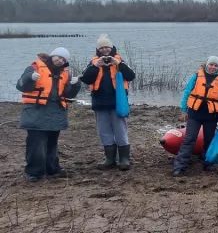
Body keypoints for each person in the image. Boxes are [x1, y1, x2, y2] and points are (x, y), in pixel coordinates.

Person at [16, 47, 82, 182]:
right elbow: (21, 85)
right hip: (36, 111)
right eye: (58, 57)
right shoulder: (34, 67)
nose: (60, 60)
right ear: (52, 56)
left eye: (63, 59)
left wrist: (76, 85)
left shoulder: (65, 74)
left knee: (52, 142)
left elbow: (68, 94)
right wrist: (30, 78)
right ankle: (34, 172)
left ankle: (52, 168)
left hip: (56, 112)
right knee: (36, 144)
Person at [79, 34, 136, 171]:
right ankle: (109, 159)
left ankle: (124, 159)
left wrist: (118, 64)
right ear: (98, 49)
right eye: (102, 48)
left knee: (120, 130)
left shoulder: (119, 60)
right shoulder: (93, 62)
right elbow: (85, 78)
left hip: (118, 102)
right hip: (99, 102)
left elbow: (131, 76)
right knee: (104, 131)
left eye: (107, 47)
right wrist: (96, 66)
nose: (105, 50)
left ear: (111, 48)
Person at [172, 56, 218, 177]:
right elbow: (187, 93)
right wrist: (183, 110)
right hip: (194, 114)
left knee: (209, 140)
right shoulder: (197, 76)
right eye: (211, 64)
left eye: (215, 65)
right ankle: (179, 166)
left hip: (211, 116)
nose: (213, 67)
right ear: (206, 65)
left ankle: (207, 163)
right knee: (189, 139)